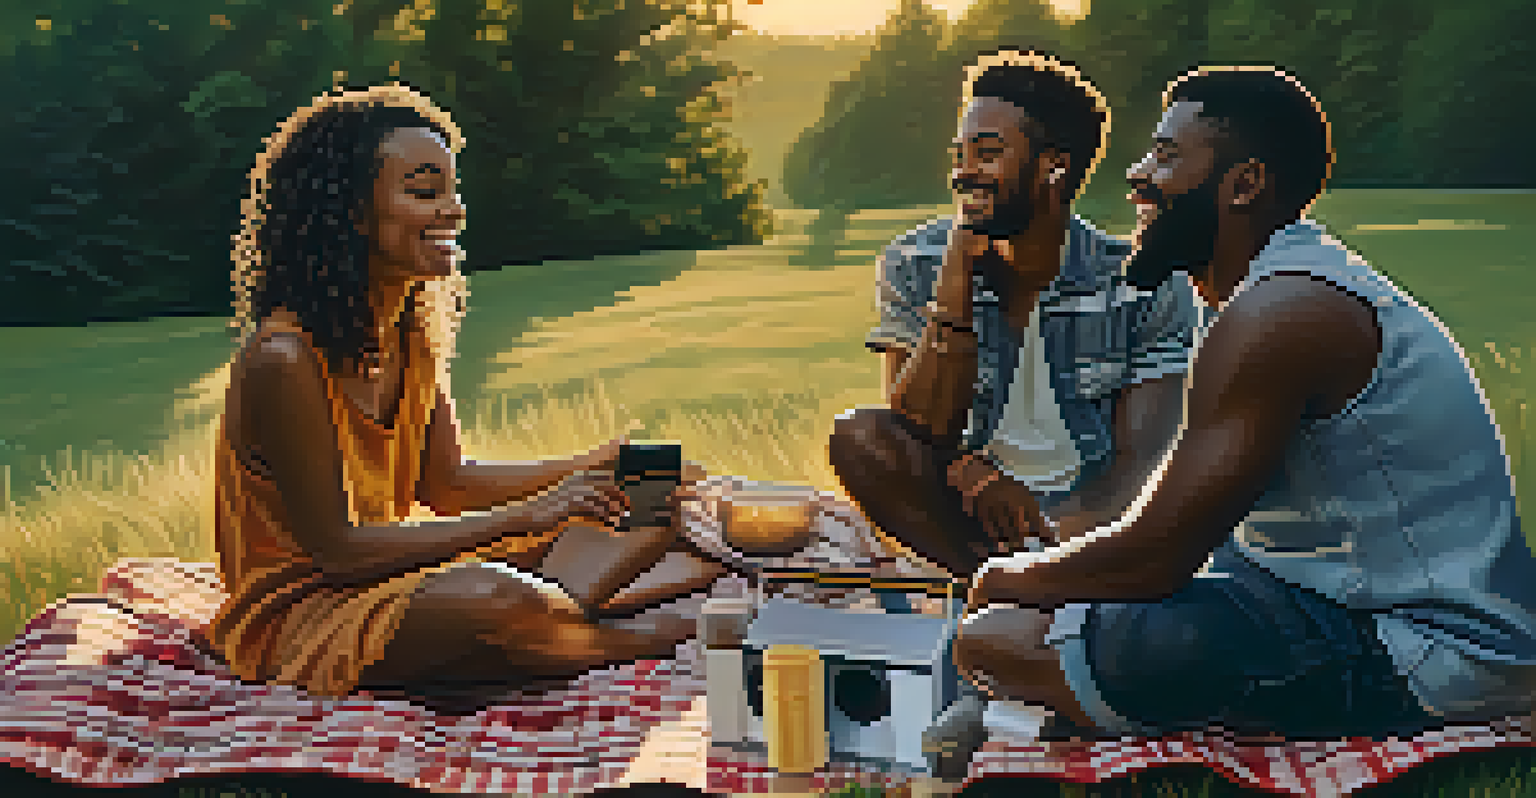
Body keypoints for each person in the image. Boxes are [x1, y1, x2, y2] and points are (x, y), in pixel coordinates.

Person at [957, 66, 1536, 747]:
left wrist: (1007, 576)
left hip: (1429, 652)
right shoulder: (1262, 294)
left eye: (1167, 156)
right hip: (1325, 601)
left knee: (1000, 635)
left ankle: (1053, 714)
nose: (1139, 175)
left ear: (1244, 184)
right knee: (1060, 613)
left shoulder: (1282, 314)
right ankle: (1065, 706)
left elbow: (1156, 557)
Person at [205, 84, 715, 701]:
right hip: (309, 614)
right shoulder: (283, 359)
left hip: (397, 580)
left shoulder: (409, 334)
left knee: (663, 510)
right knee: (493, 599)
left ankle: (557, 618)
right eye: (425, 192)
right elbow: (337, 551)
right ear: (351, 214)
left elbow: (447, 484)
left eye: (452, 190)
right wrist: (532, 513)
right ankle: (646, 635)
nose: (453, 210)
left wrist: (594, 466)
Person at [823, 49, 1200, 774]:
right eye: (960, 153)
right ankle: (1010, 622)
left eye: (988, 153)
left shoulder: (1143, 284)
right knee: (858, 437)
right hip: (972, 517)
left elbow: (1142, 466)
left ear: (1054, 167)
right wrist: (956, 287)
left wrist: (1052, 546)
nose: (964, 172)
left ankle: (997, 650)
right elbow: (916, 428)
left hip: (1089, 513)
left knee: (1144, 534)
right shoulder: (916, 260)